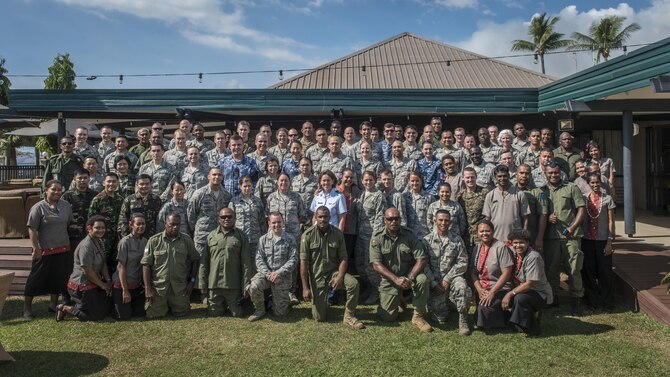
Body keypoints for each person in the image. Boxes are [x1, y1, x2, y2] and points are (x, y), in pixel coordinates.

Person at [300, 206, 365, 329]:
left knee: (353, 284)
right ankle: (321, 304)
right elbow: (303, 263)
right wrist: (305, 287)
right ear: (315, 218)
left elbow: (344, 258)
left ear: (330, 217)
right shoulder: (307, 235)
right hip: (317, 276)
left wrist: (340, 277)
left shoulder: (338, 234)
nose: (323, 219)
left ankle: (349, 316)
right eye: (320, 217)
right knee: (319, 317)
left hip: (334, 273)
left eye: (325, 216)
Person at [370, 208, 432, 332]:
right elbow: (376, 264)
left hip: (410, 276)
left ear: (400, 219)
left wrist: (410, 277)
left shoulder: (409, 235)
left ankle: (418, 316)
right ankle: (397, 300)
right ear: (384, 220)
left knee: (422, 279)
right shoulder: (377, 237)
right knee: (388, 318)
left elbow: (422, 259)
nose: (394, 221)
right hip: (390, 279)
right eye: (390, 219)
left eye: (396, 218)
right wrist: (395, 279)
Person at [23, 180, 73, 319]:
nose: (57, 192)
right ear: (46, 190)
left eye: (59, 189)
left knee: (58, 279)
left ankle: (53, 305)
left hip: (63, 248)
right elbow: (32, 229)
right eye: (53, 189)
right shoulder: (38, 207)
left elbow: (68, 223)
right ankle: (27, 308)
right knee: (35, 279)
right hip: (44, 250)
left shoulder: (66, 206)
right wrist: (35, 248)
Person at [541, 162, 586, 315]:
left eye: (556, 172)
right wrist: (547, 218)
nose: (553, 175)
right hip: (551, 236)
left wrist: (572, 227)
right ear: (545, 173)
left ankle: (577, 301)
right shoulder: (542, 191)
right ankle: (554, 300)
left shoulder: (571, 187)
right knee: (551, 270)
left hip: (570, 236)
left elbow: (581, 208)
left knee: (574, 269)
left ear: (560, 173)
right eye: (550, 173)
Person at [423, 210, 472, 335]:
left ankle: (463, 320)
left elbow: (463, 262)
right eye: (440, 220)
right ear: (435, 221)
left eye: (446, 220)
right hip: (434, 284)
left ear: (450, 222)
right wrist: (434, 283)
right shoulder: (426, 240)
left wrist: (447, 279)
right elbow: (424, 264)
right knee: (440, 318)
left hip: (451, 280)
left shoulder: (457, 239)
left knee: (461, 285)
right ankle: (450, 305)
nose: (443, 223)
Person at [142, 214, 199, 319]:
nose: (175, 227)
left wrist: (191, 282)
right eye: (172, 224)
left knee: (183, 313)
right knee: (153, 315)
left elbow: (195, 260)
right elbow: (146, 265)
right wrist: (148, 288)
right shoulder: (154, 240)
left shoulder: (186, 240)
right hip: (159, 288)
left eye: (178, 224)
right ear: (165, 224)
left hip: (179, 288)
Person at [56, 215, 111, 322]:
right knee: (94, 316)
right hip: (81, 286)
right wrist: (102, 285)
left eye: (103, 228)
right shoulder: (86, 246)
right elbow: (87, 271)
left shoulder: (100, 241)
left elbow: (103, 262)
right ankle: (65, 308)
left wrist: (108, 280)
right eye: (97, 228)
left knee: (106, 308)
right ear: (89, 229)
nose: (101, 230)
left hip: (94, 283)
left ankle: (82, 306)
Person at [199, 208, 252, 317]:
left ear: (235, 218)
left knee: (237, 313)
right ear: (219, 219)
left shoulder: (241, 236)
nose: (226, 219)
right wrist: (202, 283)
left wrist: (246, 286)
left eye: (229, 217)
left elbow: (246, 263)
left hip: (233, 285)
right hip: (214, 285)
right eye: (223, 217)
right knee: (214, 313)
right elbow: (204, 262)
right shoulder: (211, 236)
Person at [248, 212, 298, 321]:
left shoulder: (290, 239)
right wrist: (269, 274)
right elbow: (259, 259)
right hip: (266, 275)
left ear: (283, 221)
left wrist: (278, 273)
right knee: (254, 286)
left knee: (280, 313)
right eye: (274, 222)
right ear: (269, 223)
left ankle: (284, 299)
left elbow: (293, 260)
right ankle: (260, 310)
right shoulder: (263, 239)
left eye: (279, 222)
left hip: (282, 277)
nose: (276, 225)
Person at [502, 229, 553, 337]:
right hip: (522, 290)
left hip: (539, 293)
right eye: (515, 242)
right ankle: (514, 322)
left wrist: (509, 294)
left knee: (520, 299)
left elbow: (529, 284)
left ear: (528, 243)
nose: (518, 245)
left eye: (522, 242)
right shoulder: (513, 252)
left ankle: (532, 328)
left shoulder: (533, 257)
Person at [581, 173, 616, 312]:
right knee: (589, 272)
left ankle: (608, 303)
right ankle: (592, 303)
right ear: (588, 184)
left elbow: (611, 221)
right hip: (587, 240)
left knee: (605, 272)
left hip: (602, 240)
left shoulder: (607, 199)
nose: (595, 185)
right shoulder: (583, 199)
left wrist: (609, 241)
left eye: (597, 182)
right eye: (592, 183)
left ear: (601, 183)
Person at [470, 220, 514, 330]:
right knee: (483, 309)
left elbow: (507, 273)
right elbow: (473, 272)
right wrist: (479, 290)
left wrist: (492, 292)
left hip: (499, 288)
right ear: (477, 233)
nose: (484, 233)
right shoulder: (477, 248)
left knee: (484, 309)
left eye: (487, 231)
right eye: (481, 231)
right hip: (483, 288)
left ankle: (505, 317)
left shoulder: (501, 247)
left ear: (493, 232)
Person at [354, 171, 387, 305]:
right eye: (366, 180)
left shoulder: (378, 196)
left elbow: (380, 217)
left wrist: (375, 237)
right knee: (360, 264)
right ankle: (369, 288)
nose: (368, 183)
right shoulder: (361, 195)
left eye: (371, 180)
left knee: (370, 266)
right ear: (362, 181)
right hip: (360, 236)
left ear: (375, 181)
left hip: (371, 237)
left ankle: (379, 292)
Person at [188, 168, 233, 258]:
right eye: (214, 175)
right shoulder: (199, 194)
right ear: (208, 177)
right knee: (201, 265)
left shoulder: (227, 195)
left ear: (222, 177)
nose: (217, 177)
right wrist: (196, 230)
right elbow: (191, 214)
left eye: (219, 175)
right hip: (202, 237)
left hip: (220, 236)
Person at [112, 213, 147, 320]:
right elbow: (120, 267)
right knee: (123, 316)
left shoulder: (145, 241)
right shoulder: (125, 242)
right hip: (122, 285)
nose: (141, 226)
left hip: (136, 285)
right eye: (138, 224)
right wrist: (125, 290)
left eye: (143, 224)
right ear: (131, 224)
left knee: (140, 313)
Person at [483, 165, 530, 242]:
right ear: (495, 178)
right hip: (495, 238)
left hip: (515, 239)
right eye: (499, 176)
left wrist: (523, 236)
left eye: (504, 176)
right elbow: (487, 219)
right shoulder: (490, 195)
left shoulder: (519, 194)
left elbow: (525, 218)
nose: (502, 178)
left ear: (509, 176)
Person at [89, 173, 125, 272]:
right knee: (100, 263)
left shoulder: (120, 199)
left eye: (114, 181)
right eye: (109, 181)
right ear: (104, 183)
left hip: (116, 238)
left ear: (118, 183)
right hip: (102, 239)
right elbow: (91, 220)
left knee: (115, 263)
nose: (111, 184)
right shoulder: (98, 199)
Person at [229, 176, 266, 263]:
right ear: (240, 186)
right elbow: (230, 221)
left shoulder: (258, 201)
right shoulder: (234, 201)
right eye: (245, 186)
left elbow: (262, 221)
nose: (247, 188)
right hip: (239, 239)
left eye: (249, 186)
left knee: (255, 264)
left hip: (255, 240)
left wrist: (263, 237)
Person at [117, 174, 162, 239]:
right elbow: (122, 220)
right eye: (141, 184)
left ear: (150, 185)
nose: (144, 186)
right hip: (133, 239)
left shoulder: (157, 200)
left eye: (147, 184)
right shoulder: (129, 200)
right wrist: (125, 237)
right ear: (137, 185)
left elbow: (160, 221)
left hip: (152, 238)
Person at [61, 168, 97, 252]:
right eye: (80, 178)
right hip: (72, 234)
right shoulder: (67, 196)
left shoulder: (95, 195)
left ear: (89, 178)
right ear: (74, 179)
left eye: (85, 178)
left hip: (89, 233)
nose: (82, 180)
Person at [515, 164, 548, 250]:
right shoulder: (510, 191)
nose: (524, 176)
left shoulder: (539, 193)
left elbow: (543, 215)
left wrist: (539, 238)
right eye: (521, 173)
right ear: (516, 174)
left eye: (527, 173)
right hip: (513, 235)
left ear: (531, 175)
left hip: (531, 236)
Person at [458, 167, 490, 249]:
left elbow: (490, 213)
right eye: (467, 177)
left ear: (476, 177)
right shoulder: (460, 196)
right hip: (466, 236)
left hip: (481, 235)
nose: (470, 180)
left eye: (472, 177)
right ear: (463, 178)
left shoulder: (485, 192)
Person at [337, 168, 360, 261]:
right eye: (347, 177)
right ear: (341, 177)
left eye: (351, 178)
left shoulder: (356, 191)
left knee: (346, 256)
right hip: (338, 229)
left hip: (351, 230)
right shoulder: (335, 190)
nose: (349, 179)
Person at [403, 172, 434, 239]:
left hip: (424, 235)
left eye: (417, 181)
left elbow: (433, 217)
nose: (415, 183)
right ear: (408, 182)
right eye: (412, 181)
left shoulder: (429, 198)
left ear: (421, 181)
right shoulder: (404, 197)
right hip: (409, 234)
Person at [291, 157, 318, 224]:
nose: (305, 167)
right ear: (299, 166)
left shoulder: (317, 180)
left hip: (312, 216)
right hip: (297, 216)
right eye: (302, 165)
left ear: (311, 166)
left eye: (307, 165)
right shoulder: (294, 180)